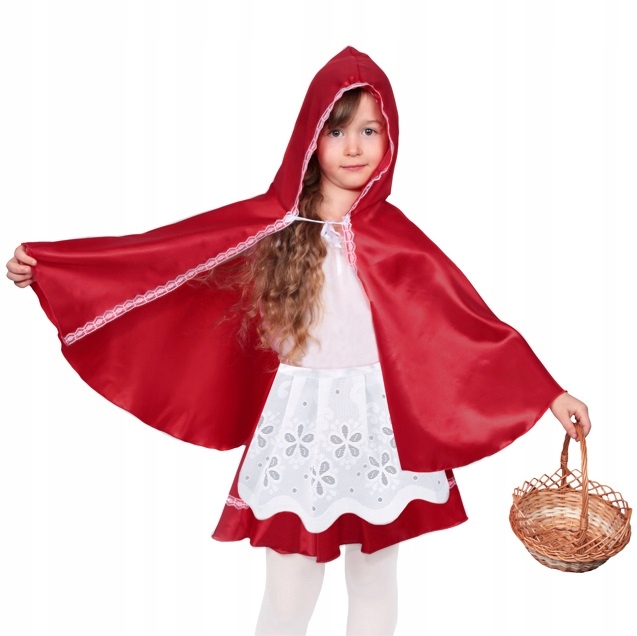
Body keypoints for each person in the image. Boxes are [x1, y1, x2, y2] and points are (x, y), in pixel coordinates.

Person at [6, 46, 590, 636]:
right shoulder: (269, 227)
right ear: (311, 136)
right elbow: (163, 256)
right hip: (299, 426)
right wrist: (55, 269)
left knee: (374, 578)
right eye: (337, 130)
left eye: (369, 130)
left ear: (391, 138)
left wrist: (547, 393)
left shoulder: (398, 238)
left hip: (380, 428)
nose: (354, 147)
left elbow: (468, 324)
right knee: (289, 591)